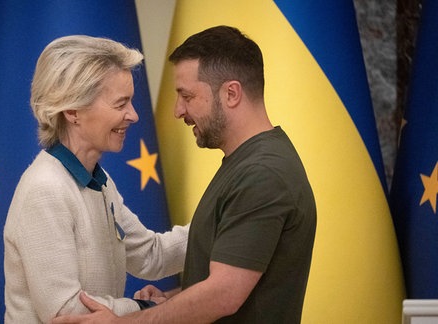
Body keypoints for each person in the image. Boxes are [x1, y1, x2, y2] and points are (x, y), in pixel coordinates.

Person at [51, 25, 317, 323]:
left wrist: (121, 322)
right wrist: (170, 301)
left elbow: (222, 295)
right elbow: (227, 276)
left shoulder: (262, 174)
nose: (178, 110)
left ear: (231, 93)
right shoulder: (246, 164)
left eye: (187, 96)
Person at [3, 35, 188, 323]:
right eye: (120, 104)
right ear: (73, 110)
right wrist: (145, 311)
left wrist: (223, 226)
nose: (134, 115)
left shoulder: (99, 183)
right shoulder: (46, 189)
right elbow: (65, 309)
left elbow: (151, 255)